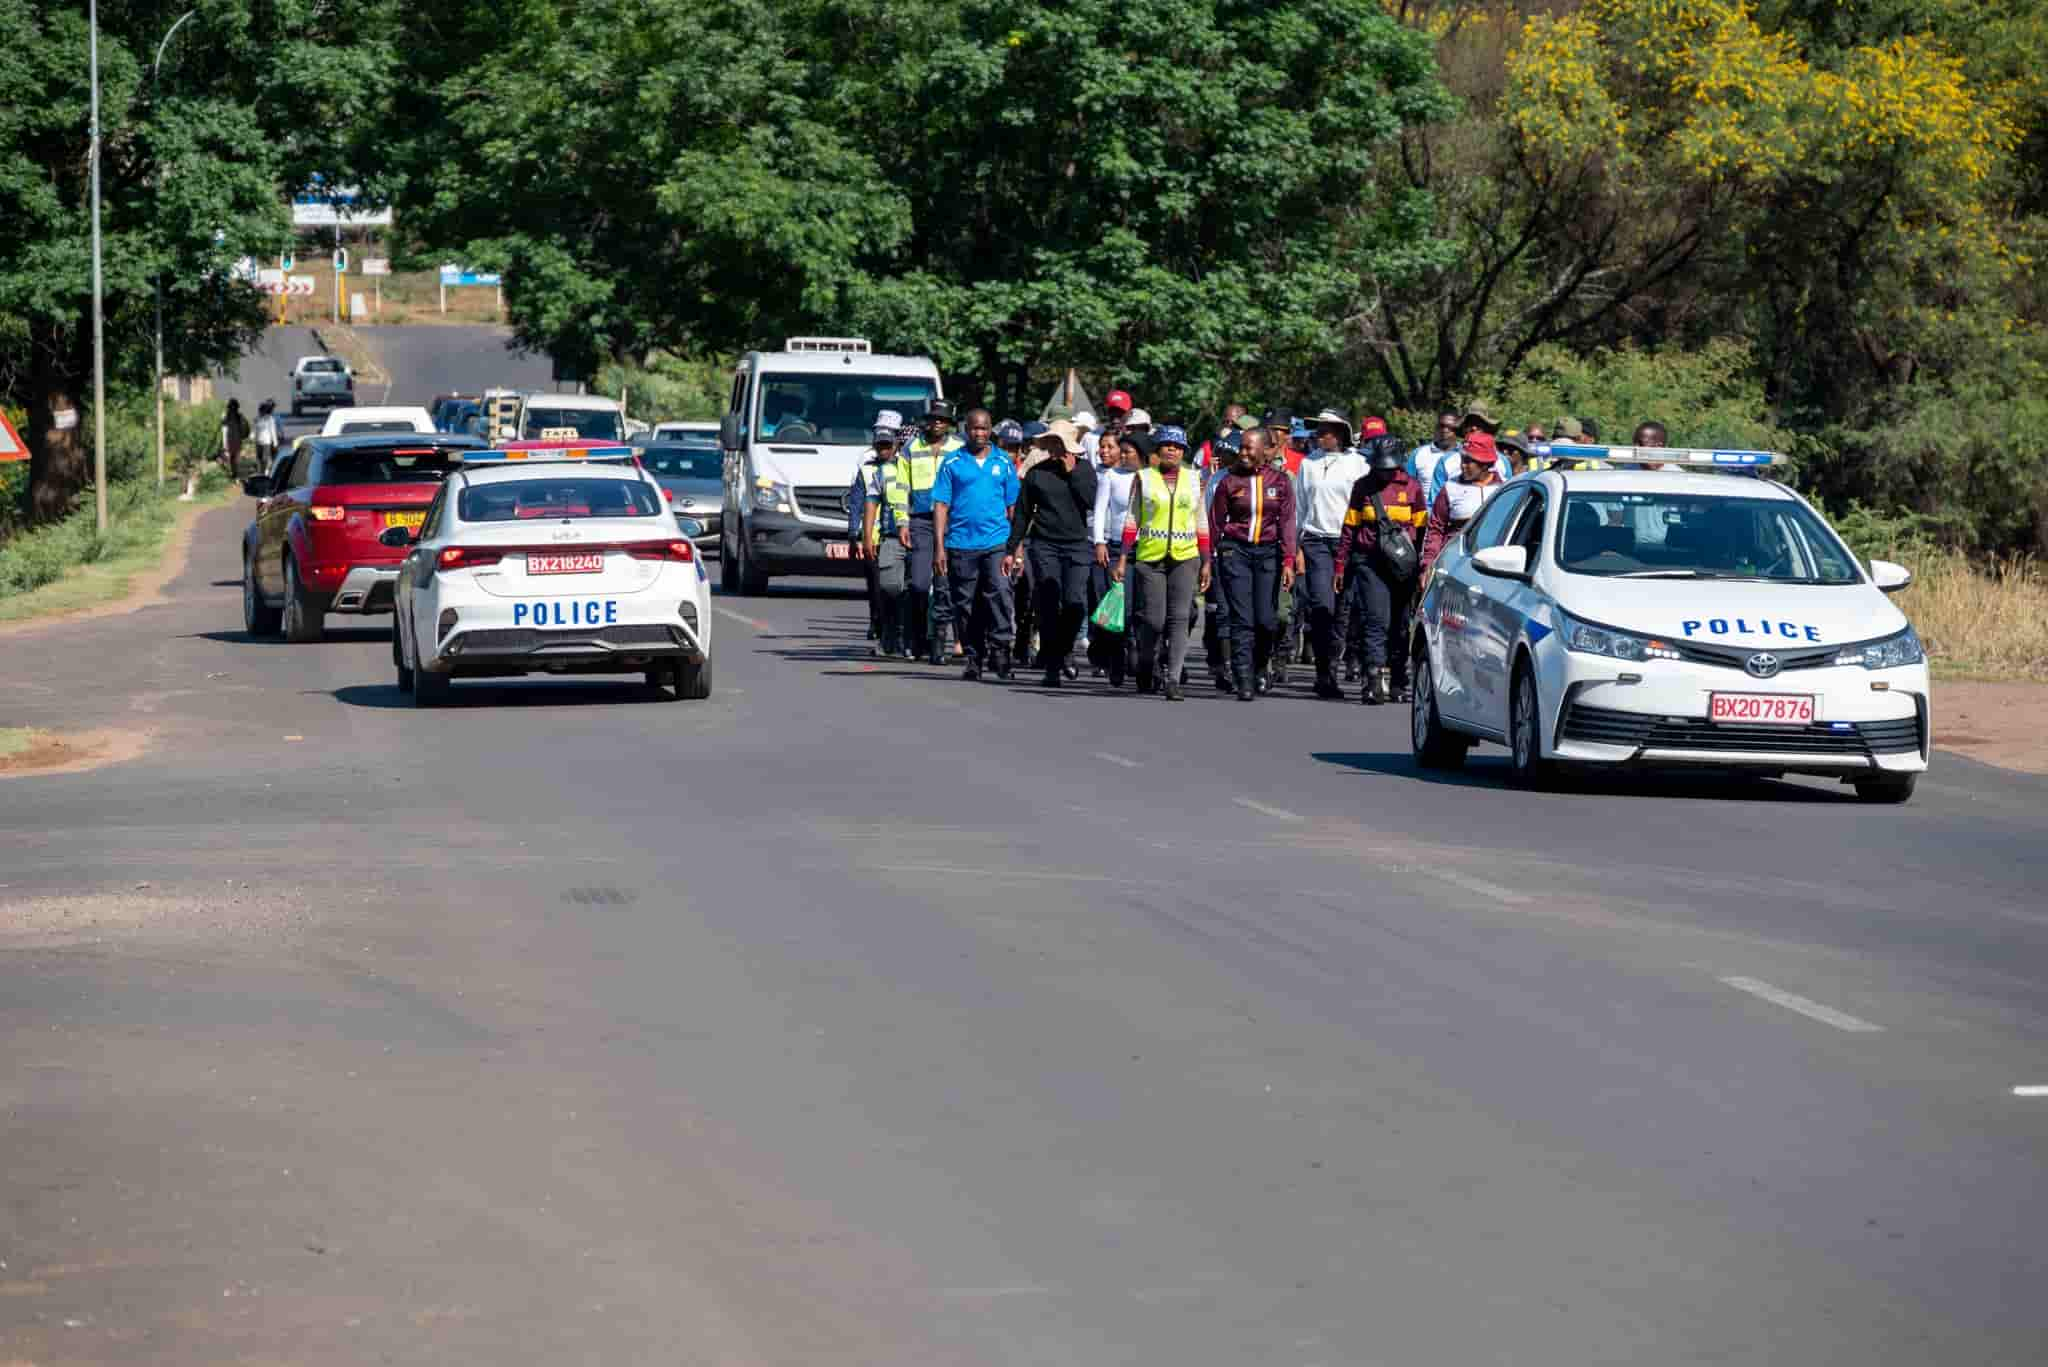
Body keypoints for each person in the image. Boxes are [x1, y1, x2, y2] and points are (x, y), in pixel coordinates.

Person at [1115, 426, 1210, 700]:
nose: (1173, 450)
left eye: (1178, 447)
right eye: (1167, 445)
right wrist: (1122, 557)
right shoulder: (1144, 478)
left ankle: (1173, 679)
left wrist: (1206, 561)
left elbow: (1200, 520)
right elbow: (1132, 520)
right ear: (1157, 449)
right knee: (1154, 620)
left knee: (1179, 618)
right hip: (1151, 557)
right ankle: (1147, 664)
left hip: (1185, 556)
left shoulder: (1194, 480)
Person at [1335, 435, 1428, 705]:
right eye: (1380, 467)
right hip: (1370, 563)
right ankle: (1372, 680)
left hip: (1403, 566)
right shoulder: (1362, 488)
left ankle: (1399, 679)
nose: (1385, 472)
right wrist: (1341, 565)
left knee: (1400, 625)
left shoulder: (1412, 489)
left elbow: (1422, 530)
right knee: (1376, 622)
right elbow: (1349, 529)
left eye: (1389, 467)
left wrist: (1423, 566)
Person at [931, 410, 1021, 681]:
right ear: (965, 430)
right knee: (966, 604)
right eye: (974, 429)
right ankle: (974, 657)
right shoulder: (952, 462)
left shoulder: (1003, 462)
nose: (979, 433)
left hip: (996, 542)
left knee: (1000, 593)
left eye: (984, 429)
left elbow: (1014, 506)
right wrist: (939, 547)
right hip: (961, 543)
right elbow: (941, 504)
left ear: (990, 429)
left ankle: (1002, 651)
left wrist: (1017, 547)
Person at [1007, 420, 1097, 688]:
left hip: (1077, 544)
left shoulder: (1085, 470)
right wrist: (1012, 548)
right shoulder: (1036, 473)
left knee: (1075, 604)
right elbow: (1022, 514)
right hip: (1045, 545)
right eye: (1053, 443)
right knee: (1048, 602)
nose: (1056, 448)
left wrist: (1073, 475)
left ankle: (1064, 648)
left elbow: (1092, 503)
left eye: (1061, 443)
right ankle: (1053, 666)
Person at [1210, 426, 1298, 700]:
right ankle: (1243, 677)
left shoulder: (1281, 481)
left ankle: (1261, 667)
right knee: (1242, 619)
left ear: (1265, 450)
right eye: (1242, 447)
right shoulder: (1229, 481)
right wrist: (1208, 559)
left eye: (1249, 448)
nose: (1243, 453)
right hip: (1235, 552)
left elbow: (1287, 523)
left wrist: (1288, 560)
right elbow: (1215, 523)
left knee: (1266, 620)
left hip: (1268, 554)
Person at [1295, 409, 1370, 699]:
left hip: (1347, 542)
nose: (1320, 435)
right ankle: (1323, 673)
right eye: (1318, 429)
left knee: (1343, 609)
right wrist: (1297, 546)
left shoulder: (1358, 464)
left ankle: (1334, 670)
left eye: (1326, 429)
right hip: (1315, 541)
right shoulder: (1308, 464)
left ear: (1340, 433)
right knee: (1321, 606)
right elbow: (1301, 506)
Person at [902, 400, 963, 664]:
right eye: (934, 418)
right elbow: (901, 487)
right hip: (921, 521)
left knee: (944, 585)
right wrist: (902, 521)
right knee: (918, 584)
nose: (938, 423)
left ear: (949, 423)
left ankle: (938, 643)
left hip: (952, 521)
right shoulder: (912, 448)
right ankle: (916, 639)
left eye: (943, 419)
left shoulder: (959, 449)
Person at [858, 414, 914, 658]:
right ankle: (889, 637)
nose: (883, 450)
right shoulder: (879, 473)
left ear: (897, 445)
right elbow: (870, 504)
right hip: (890, 537)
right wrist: (867, 537)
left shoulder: (913, 467)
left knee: (916, 591)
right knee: (889, 588)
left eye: (887, 445)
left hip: (920, 534)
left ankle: (908, 640)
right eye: (879, 445)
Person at [1421, 430, 1505, 576]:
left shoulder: (1504, 488)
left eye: (1468, 461)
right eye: (1462, 459)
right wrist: (1428, 564)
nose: (1462, 466)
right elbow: (1435, 529)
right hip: (1453, 568)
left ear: (1484, 464)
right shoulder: (1450, 488)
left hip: (1492, 569)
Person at [1408, 410, 1460, 484]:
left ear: (1458, 431)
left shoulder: (1465, 455)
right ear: (1436, 427)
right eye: (1441, 426)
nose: (1444, 430)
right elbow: (1408, 486)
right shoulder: (1418, 454)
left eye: (1450, 427)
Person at [219, 399, 250, 477]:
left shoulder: (227, 416)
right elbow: (245, 428)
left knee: (232, 457)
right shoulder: (239, 416)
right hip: (237, 439)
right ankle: (235, 473)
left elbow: (223, 427)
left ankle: (234, 473)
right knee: (235, 457)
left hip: (230, 439)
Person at [253, 399, 280, 477]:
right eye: (260, 410)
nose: (261, 412)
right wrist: (253, 438)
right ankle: (260, 473)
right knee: (259, 458)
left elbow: (273, 431)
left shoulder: (270, 419)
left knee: (265, 459)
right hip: (258, 442)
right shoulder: (256, 419)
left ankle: (265, 473)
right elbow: (255, 430)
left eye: (262, 410)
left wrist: (275, 443)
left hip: (266, 442)